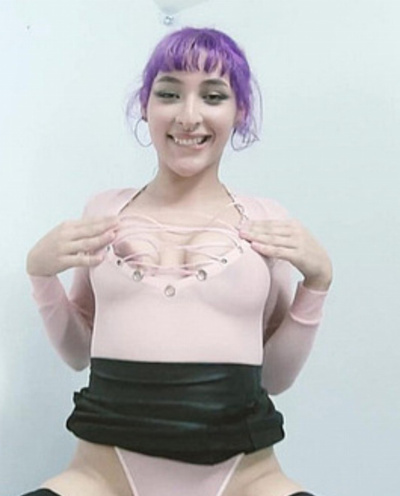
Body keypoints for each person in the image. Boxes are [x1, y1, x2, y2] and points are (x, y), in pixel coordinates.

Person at [22, 27, 332, 496]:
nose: (189, 117)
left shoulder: (267, 221)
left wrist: (318, 282)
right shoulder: (104, 211)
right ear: (145, 105)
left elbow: (274, 377)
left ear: (239, 110)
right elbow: (78, 352)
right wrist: (40, 274)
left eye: (213, 96)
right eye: (169, 93)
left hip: (244, 475)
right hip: (103, 473)